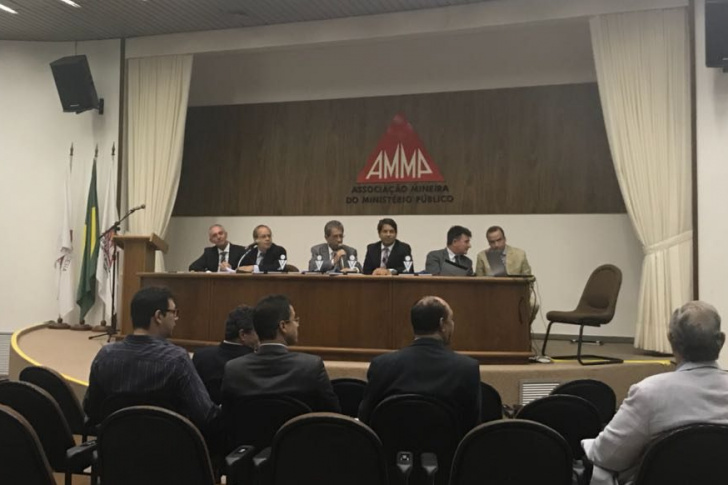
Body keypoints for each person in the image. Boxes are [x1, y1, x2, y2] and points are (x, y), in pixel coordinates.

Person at [583, 301, 728, 485]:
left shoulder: (649, 393)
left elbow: (606, 456)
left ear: (671, 339)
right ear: (721, 340)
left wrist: (587, 444)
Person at [83, 286, 219, 431]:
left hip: (114, 441)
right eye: (173, 312)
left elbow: (91, 409)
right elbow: (204, 414)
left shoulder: (105, 355)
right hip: (166, 442)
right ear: (158, 316)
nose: (176, 318)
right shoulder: (177, 360)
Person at [358, 296, 481, 433]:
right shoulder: (466, 368)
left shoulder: (381, 365)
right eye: (451, 319)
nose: (452, 324)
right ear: (442, 324)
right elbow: (471, 428)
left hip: (390, 445)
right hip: (448, 446)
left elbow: (365, 419)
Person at [221, 294, 341, 412]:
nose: (297, 324)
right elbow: (332, 415)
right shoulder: (311, 367)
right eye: (295, 320)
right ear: (283, 326)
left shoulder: (234, 370)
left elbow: (226, 418)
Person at [193, 305, 259, 404]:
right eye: (258, 332)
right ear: (243, 335)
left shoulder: (200, 356)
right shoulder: (255, 363)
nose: (261, 337)